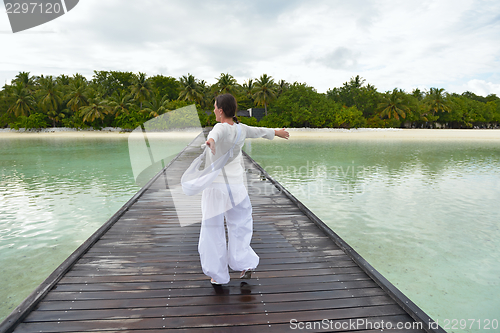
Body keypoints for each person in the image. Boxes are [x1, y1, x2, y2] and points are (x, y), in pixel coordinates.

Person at [198, 93, 289, 285]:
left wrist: (211, 142)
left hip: (217, 186)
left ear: (221, 111)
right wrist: (276, 132)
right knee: (240, 223)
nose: (214, 110)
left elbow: (216, 134)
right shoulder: (241, 128)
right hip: (237, 187)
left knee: (212, 228)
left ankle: (218, 274)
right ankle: (245, 263)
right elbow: (260, 131)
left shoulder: (219, 127)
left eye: (215, 107)